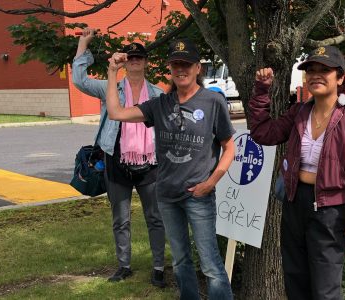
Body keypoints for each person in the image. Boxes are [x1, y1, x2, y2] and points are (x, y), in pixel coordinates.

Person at [105, 38, 235, 300]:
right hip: (166, 195)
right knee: (179, 261)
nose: (181, 70)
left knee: (210, 264)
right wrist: (111, 73)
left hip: (198, 195)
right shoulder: (160, 104)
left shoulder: (212, 102)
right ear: (170, 69)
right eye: (176, 65)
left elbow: (229, 146)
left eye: (186, 64)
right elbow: (116, 113)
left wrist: (211, 183)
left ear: (198, 68)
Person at [249, 46, 345, 300]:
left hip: (330, 210)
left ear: (340, 77)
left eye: (325, 70)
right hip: (294, 203)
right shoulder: (300, 111)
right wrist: (262, 91)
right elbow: (264, 133)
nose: (316, 76)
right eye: (311, 70)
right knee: (295, 281)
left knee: (325, 290)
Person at [72, 28, 166, 287]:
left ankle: (159, 267)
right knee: (120, 219)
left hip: (150, 164)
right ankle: (124, 265)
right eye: (130, 57)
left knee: (155, 217)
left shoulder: (158, 95)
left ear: (146, 62)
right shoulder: (110, 88)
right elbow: (80, 81)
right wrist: (83, 45)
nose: (135, 61)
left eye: (139, 57)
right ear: (125, 62)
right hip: (117, 161)